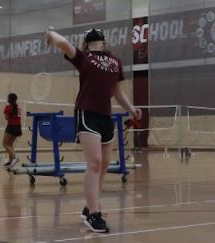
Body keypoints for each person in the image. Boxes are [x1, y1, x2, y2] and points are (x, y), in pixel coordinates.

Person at [46, 28, 142, 233]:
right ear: (87, 43)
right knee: (95, 163)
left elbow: (117, 92)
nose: (98, 41)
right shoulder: (84, 58)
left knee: (105, 165)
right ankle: (94, 215)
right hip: (86, 112)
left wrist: (131, 109)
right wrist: (51, 35)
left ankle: (89, 207)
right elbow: (63, 43)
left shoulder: (116, 61)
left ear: (104, 42)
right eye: (94, 39)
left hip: (105, 117)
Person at [3, 93, 22, 168]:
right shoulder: (18, 107)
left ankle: (15, 157)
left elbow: (6, 118)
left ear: (9, 99)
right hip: (18, 127)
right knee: (10, 144)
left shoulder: (8, 107)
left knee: (5, 144)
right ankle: (10, 162)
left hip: (11, 127)